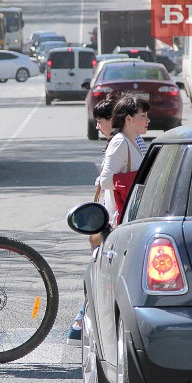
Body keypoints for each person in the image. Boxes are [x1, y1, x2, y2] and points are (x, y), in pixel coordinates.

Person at [65, 93, 149, 346]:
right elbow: (105, 179)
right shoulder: (120, 143)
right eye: (143, 115)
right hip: (117, 221)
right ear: (129, 118)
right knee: (108, 276)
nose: (147, 119)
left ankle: (83, 325)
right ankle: (82, 325)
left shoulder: (134, 141)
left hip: (129, 221)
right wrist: (133, 182)